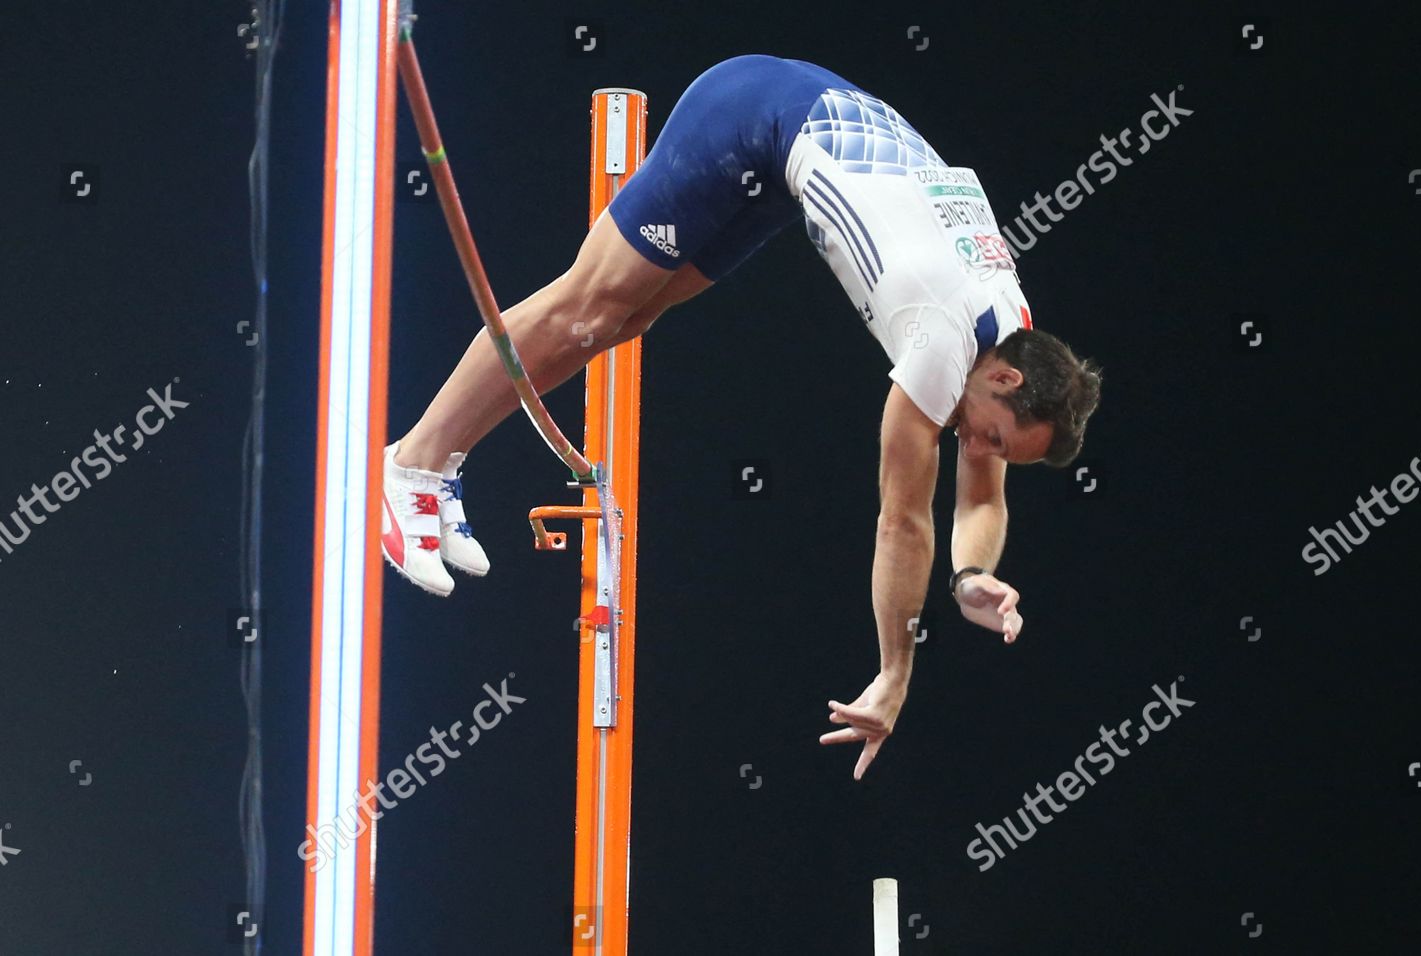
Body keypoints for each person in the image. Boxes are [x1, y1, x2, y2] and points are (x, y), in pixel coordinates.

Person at [380, 54, 1102, 779]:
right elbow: (903, 520)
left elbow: (981, 493)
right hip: (754, 113)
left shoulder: (1012, 331)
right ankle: (410, 461)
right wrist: (895, 673)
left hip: (791, 155)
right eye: (993, 435)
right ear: (1005, 378)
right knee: (588, 306)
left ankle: (441, 466)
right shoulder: (944, 338)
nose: (975, 444)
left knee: (624, 322)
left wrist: (972, 571)